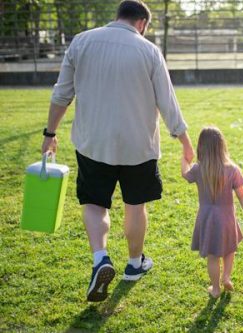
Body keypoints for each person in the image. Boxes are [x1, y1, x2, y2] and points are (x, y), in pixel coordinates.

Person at [41, 0, 194, 302]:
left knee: (95, 204)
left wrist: (50, 134)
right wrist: (186, 143)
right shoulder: (148, 50)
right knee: (135, 205)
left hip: (93, 143)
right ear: (142, 23)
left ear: (118, 16)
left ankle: (100, 258)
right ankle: (135, 265)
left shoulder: (81, 42)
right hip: (138, 145)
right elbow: (168, 102)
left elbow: (62, 93)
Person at [181, 127, 243, 298]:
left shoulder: (198, 168)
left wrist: (185, 159)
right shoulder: (232, 169)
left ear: (201, 147)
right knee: (229, 250)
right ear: (221, 146)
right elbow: (242, 195)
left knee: (212, 256)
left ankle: (216, 289)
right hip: (226, 219)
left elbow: (185, 174)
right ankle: (226, 277)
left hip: (207, 218)